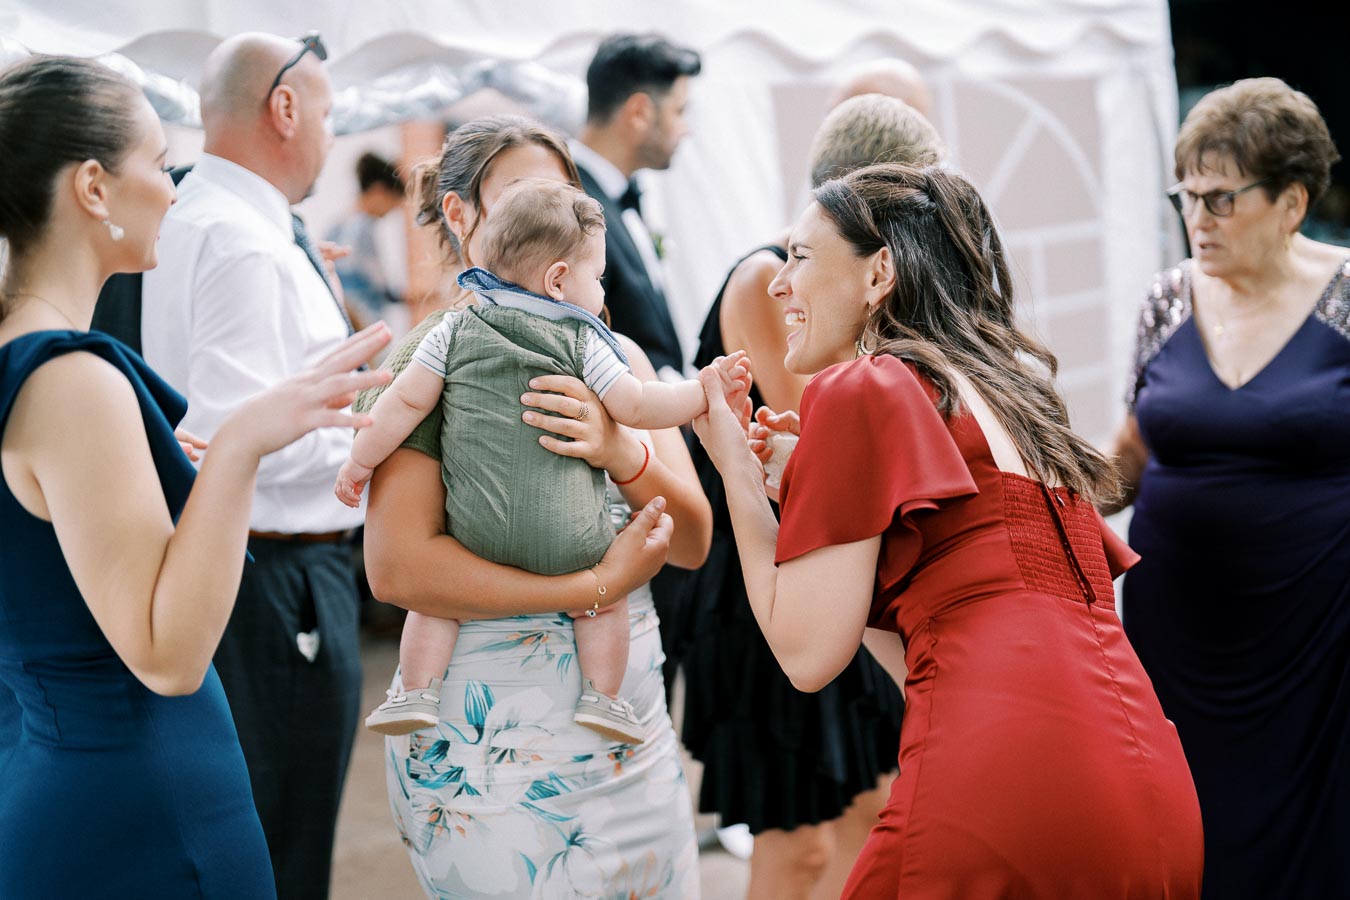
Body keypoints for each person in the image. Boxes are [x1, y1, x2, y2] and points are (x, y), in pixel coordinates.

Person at [693, 162, 1204, 897]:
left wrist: (734, 468)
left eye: (800, 257)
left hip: (999, 786)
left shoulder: (863, 385)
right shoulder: (1015, 399)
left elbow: (805, 654)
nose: (777, 283)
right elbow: (932, 640)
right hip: (1146, 783)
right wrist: (815, 487)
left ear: (879, 275)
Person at [0, 56, 390, 898]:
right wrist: (244, 445)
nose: (175, 190)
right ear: (94, 189)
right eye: (156, 162)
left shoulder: (25, 366)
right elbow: (169, 657)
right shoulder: (71, 380)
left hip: (65, 766)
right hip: (136, 801)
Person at [354, 114, 710, 897]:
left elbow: (690, 541)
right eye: (523, 193)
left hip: (632, 731)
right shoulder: (430, 360)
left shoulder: (622, 360)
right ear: (461, 216)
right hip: (491, 744)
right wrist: (591, 589)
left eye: (563, 194)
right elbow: (397, 568)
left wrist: (622, 450)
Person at [337, 178, 747, 742]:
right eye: (597, 276)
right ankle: (603, 699)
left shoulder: (455, 329)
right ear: (558, 279)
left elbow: (402, 402)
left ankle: (416, 689)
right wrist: (704, 392)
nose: (602, 290)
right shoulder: (585, 343)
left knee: (433, 612)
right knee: (605, 607)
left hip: (472, 537)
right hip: (573, 546)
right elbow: (640, 404)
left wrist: (358, 464)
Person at [679, 94, 941, 898]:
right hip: (773, 580)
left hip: (837, 556)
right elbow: (816, 432)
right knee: (797, 843)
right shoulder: (768, 276)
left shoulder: (870, 292)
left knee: (873, 808)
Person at [1108, 77, 1348, 899]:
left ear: (1291, 201)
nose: (1197, 220)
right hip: (1180, 637)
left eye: (1220, 199)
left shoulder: (1349, 297)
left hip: (1318, 641)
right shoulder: (1167, 299)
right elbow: (1130, 454)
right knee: (1187, 829)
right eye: (1187, 197)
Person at [138, 33, 363, 900]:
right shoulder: (244, 241)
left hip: (260, 578)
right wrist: (372, 441)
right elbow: (232, 438)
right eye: (330, 114)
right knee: (285, 848)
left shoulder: (217, 219)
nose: (332, 136)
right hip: (277, 580)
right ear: (286, 108)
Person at [572, 32, 701, 380]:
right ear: (640, 112)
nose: (686, 129)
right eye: (679, 111)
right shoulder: (571, 205)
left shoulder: (621, 194)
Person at [326, 151, 405, 331]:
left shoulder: (338, 226)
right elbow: (370, 284)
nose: (391, 211)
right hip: (361, 325)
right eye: (392, 202)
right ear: (379, 191)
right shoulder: (361, 229)